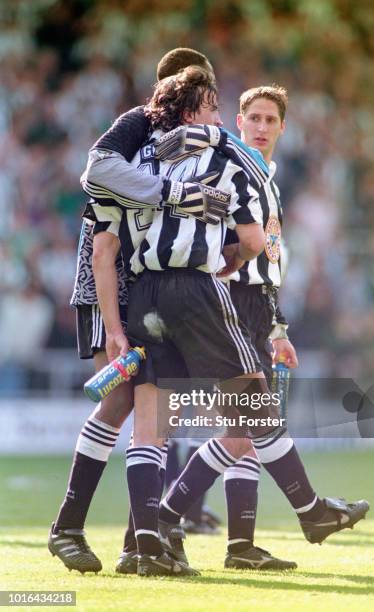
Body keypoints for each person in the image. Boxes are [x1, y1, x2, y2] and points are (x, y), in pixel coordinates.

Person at [48, 48, 270, 575]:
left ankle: (140, 539)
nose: (207, 106)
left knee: (154, 410)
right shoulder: (138, 127)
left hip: (146, 287)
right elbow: (99, 204)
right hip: (111, 284)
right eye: (203, 95)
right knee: (124, 400)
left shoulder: (185, 150)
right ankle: (71, 527)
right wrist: (175, 197)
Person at [155, 85, 370, 570]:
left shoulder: (266, 177)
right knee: (258, 420)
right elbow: (221, 236)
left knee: (242, 432)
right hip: (228, 304)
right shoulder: (227, 166)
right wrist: (220, 278)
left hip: (256, 309)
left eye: (271, 119)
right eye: (253, 117)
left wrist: (277, 326)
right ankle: (309, 511)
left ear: (282, 127)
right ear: (238, 120)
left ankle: (229, 542)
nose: (261, 127)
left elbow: (270, 257)